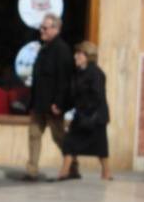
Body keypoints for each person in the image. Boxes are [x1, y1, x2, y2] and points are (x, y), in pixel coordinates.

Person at [24, 13, 74, 181]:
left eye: (45, 28)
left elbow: (65, 80)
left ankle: (72, 166)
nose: (41, 30)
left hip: (52, 105)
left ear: (56, 29)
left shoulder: (62, 50)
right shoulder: (44, 48)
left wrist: (59, 103)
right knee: (34, 134)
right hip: (39, 103)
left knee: (59, 137)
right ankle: (32, 170)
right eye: (41, 27)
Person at [57, 41, 112, 181]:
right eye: (76, 53)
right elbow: (73, 95)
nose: (75, 56)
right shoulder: (78, 73)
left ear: (88, 56)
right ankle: (64, 171)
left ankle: (107, 173)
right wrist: (62, 107)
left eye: (79, 53)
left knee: (101, 147)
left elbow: (96, 95)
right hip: (82, 115)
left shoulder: (96, 73)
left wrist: (85, 110)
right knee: (69, 142)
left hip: (95, 117)